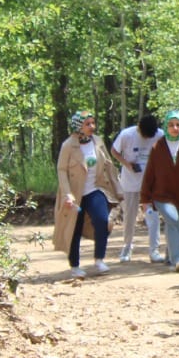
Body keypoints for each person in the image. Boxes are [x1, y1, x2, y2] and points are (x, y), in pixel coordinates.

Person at [53, 110, 120, 279]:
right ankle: (75, 266)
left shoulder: (97, 141)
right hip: (75, 193)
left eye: (93, 123)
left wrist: (118, 188)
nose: (92, 127)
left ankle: (99, 259)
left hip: (94, 189)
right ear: (78, 126)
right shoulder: (69, 145)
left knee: (103, 220)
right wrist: (67, 194)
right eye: (87, 124)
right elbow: (61, 171)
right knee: (74, 228)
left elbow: (109, 165)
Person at [140, 110, 179, 271]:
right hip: (162, 194)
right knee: (173, 220)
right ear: (166, 126)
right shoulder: (158, 146)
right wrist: (145, 197)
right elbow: (150, 172)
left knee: (177, 223)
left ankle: (169, 256)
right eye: (171, 125)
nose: (175, 128)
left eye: (178, 125)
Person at [111, 113, 164, 263]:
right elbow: (114, 151)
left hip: (151, 184)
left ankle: (154, 250)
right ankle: (127, 246)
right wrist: (127, 164)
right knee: (129, 216)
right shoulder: (127, 135)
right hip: (130, 183)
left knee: (152, 215)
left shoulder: (160, 135)